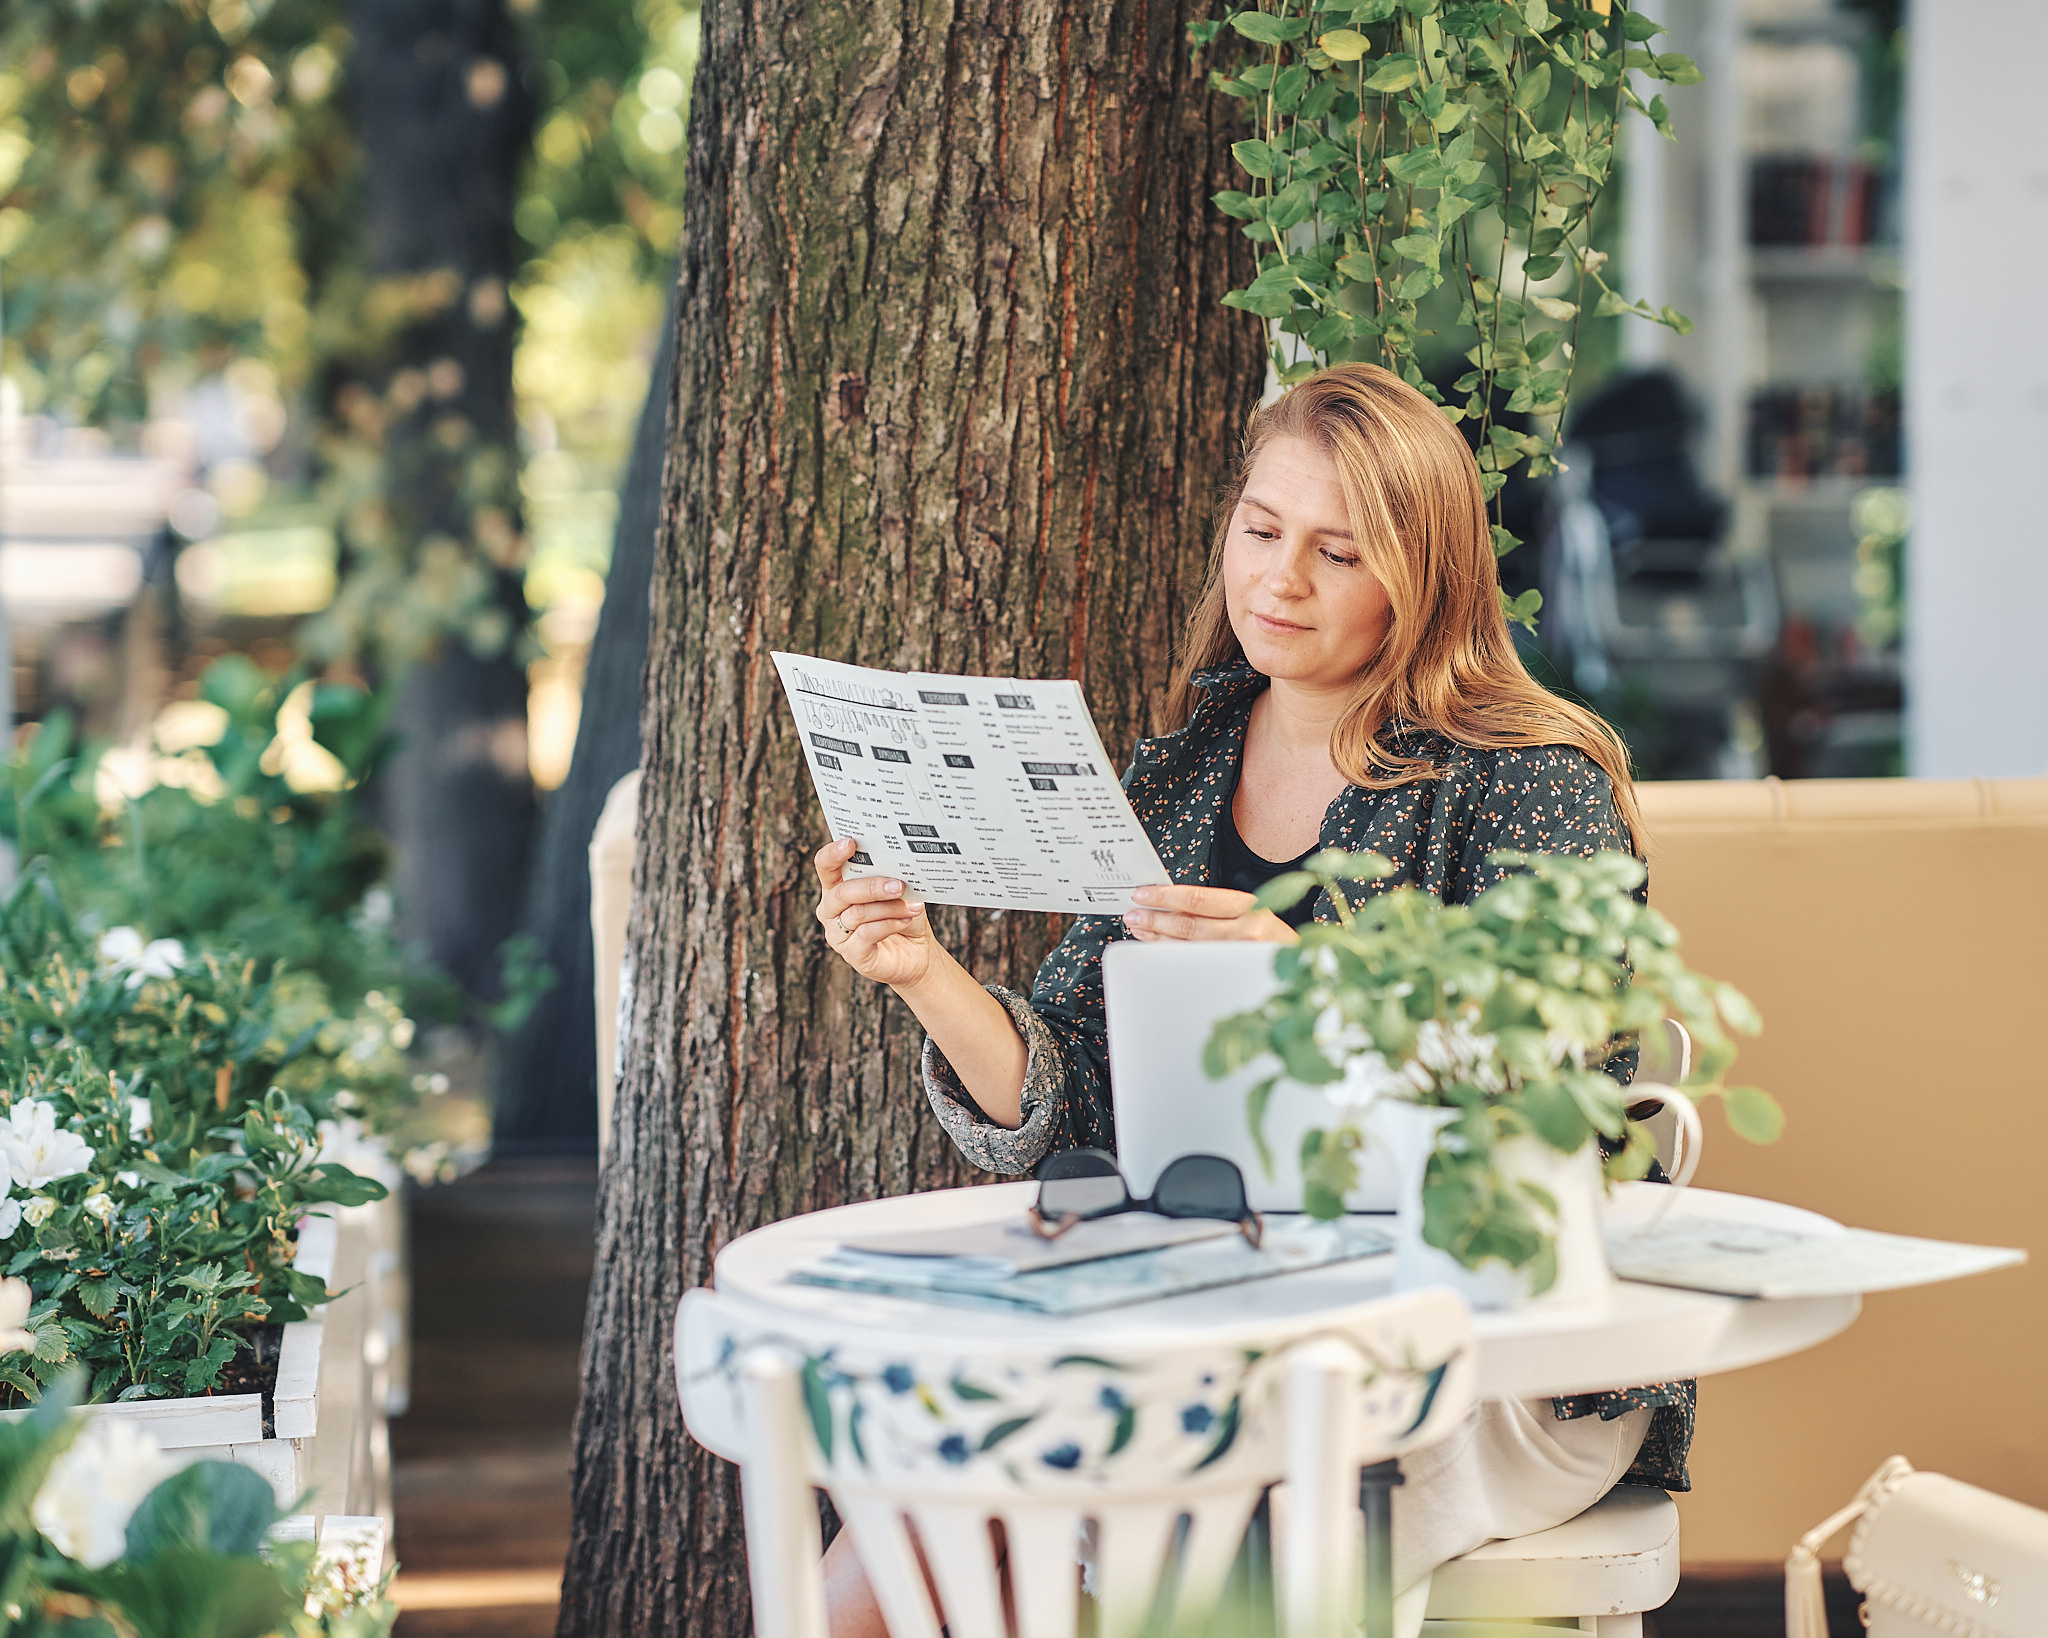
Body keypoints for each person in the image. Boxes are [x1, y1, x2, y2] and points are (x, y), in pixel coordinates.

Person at [809, 362, 1690, 1638]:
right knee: (914, 1513)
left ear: (1422, 575)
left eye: (1337, 552)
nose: (1279, 581)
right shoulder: (1182, 766)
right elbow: (1071, 1104)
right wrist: (923, 975)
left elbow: (1567, 1120)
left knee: (1167, 1504)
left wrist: (1315, 987)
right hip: (1218, 1319)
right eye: (1260, 531)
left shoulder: (1527, 780)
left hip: (1477, 1356)